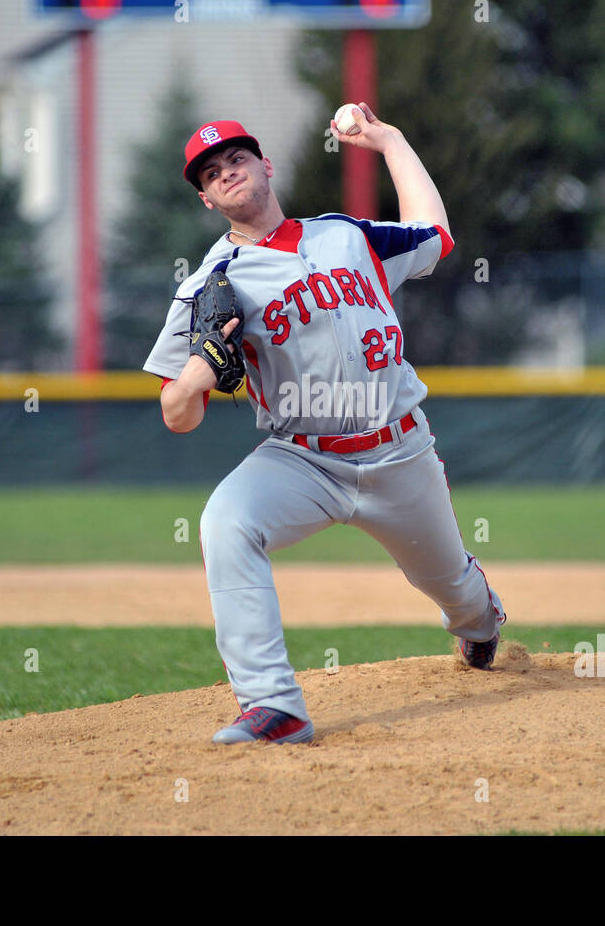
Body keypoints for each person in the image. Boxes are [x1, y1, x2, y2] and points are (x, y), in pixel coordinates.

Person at [143, 107, 506, 745]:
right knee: (225, 521)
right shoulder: (209, 284)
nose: (227, 172)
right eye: (211, 172)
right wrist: (202, 369)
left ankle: (480, 625)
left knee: (454, 591)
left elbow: (435, 234)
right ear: (205, 198)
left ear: (265, 165)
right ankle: (273, 705)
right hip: (303, 459)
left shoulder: (345, 236)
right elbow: (178, 414)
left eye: (236, 158)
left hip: (400, 452)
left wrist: (389, 140)